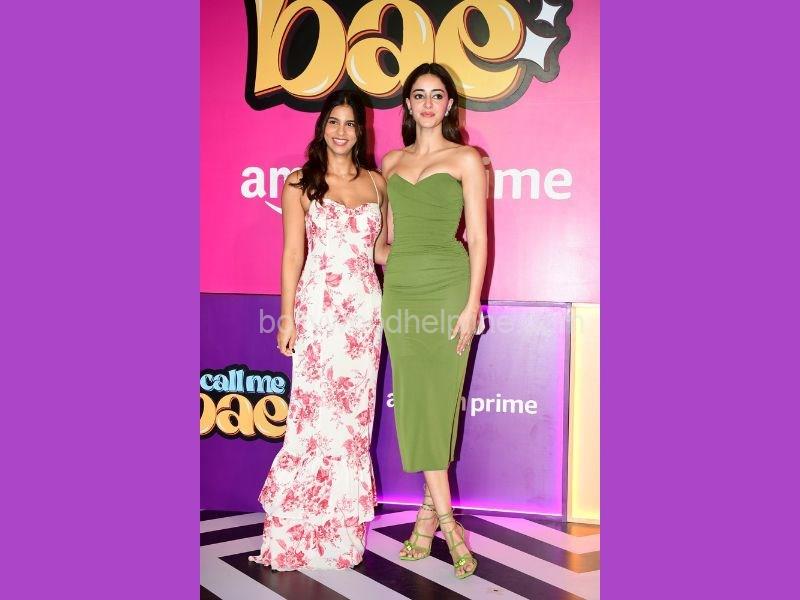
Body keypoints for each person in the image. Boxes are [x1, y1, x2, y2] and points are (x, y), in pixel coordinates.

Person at [249, 90, 389, 570]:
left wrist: (432, 252)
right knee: (310, 420)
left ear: (360, 130)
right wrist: (287, 316)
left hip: (364, 315)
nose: (341, 131)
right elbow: (293, 254)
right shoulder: (300, 182)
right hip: (319, 312)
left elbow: (379, 251)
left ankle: (339, 540)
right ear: (322, 126)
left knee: (352, 426)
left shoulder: (377, 183)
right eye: (334, 121)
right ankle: (293, 538)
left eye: (350, 123)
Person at [377, 62, 487, 579]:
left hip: (448, 289)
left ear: (448, 104)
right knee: (416, 402)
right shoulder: (391, 161)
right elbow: (385, 240)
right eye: (418, 95)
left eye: (436, 95)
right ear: (407, 104)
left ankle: (440, 521)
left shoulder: (466, 158)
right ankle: (436, 518)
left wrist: (471, 304)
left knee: (439, 402)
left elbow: (479, 238)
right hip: (401, 292)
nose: (426, 103)